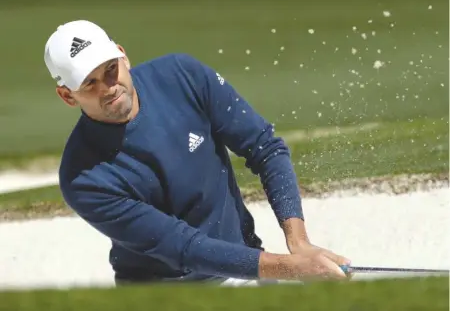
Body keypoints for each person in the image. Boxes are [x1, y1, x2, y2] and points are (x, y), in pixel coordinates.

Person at [43, 19, 352, 286]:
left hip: (249, 267)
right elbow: (185, 248)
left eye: (110, 70)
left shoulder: (181, 75)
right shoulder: (82, 178)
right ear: (67, 96)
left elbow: (265, 147)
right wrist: (289, 267)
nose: (108, 87)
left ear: (123, 56)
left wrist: (298, 243)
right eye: (89, 83)